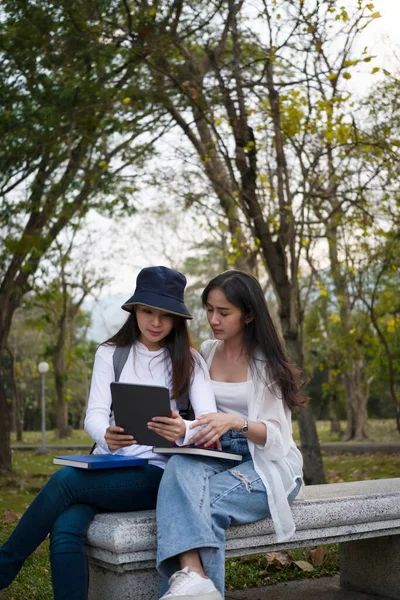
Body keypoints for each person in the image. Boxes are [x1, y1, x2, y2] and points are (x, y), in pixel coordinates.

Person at [0, 266, 216, 600]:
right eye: (147, 311)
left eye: (164, 315)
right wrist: (106, 435)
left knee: (65, 481)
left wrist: (182, 428)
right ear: (134, 310)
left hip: (157, 473)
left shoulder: (191, 361)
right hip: (108, 467)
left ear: (177, 319)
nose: (155, 322)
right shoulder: (111, 353)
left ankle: (4, 566)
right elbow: (95, 414)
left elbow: (208, 423)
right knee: (65, 528)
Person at [151, 270, 305, 600]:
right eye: (209, 309)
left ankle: (193, 583)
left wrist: (237, 421)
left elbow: (278, 438)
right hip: (217, 451)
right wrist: (181, 425)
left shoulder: (267, 364)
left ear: (248, 315)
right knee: (177, 470)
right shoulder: (206, 351)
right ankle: (193, 578)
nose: (214, 319)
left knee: (202, 506)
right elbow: (198, 412)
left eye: (224, 312)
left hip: (266, 461)